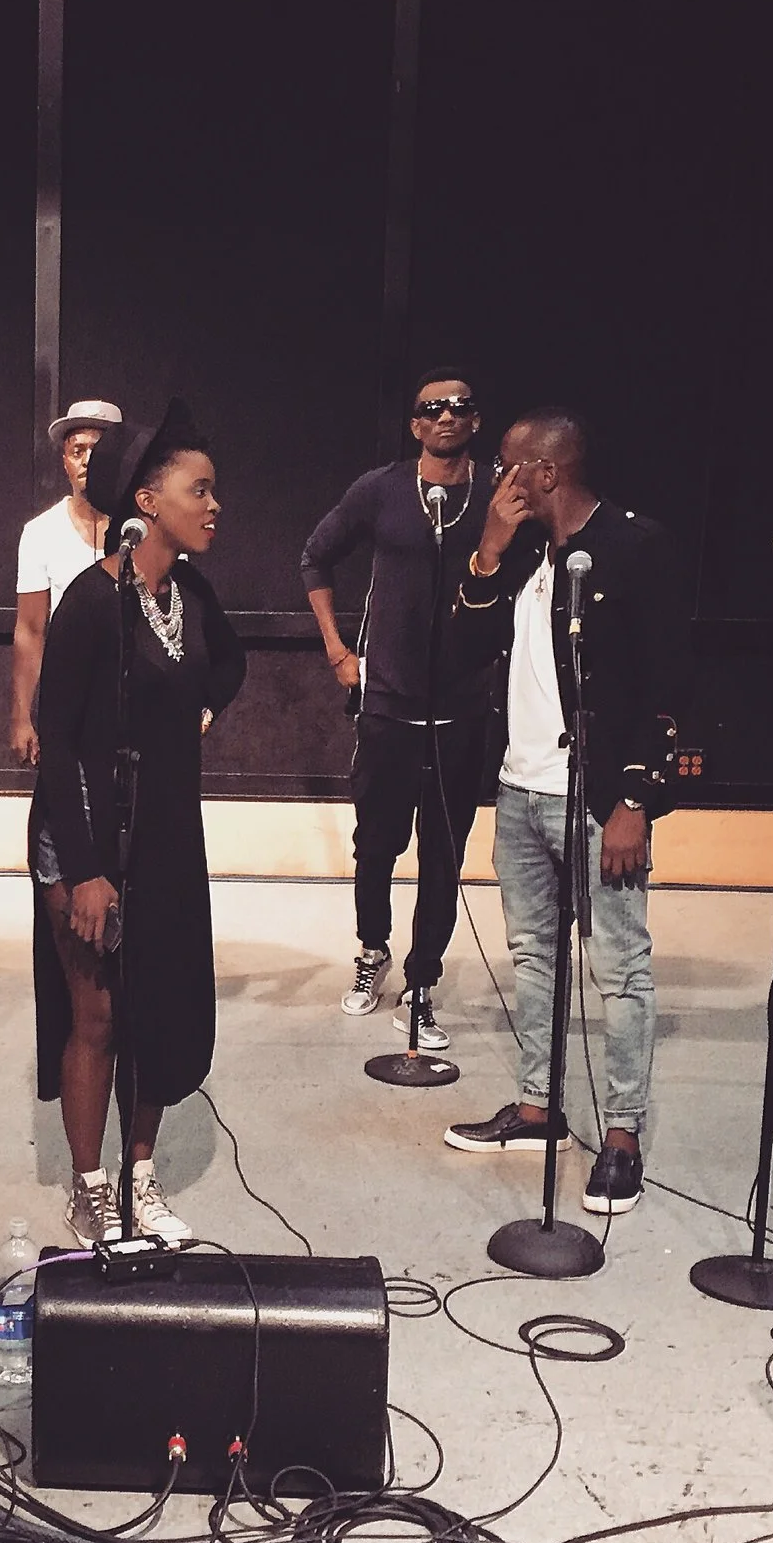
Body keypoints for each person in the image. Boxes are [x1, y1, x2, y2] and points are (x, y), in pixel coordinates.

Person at [445, 409, 687, 1219]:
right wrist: (486, 552)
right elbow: (464, 650)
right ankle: (537, 1108)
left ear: (544, 473)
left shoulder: (635, 548)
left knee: (619, 968)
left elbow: (667, 684)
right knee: (533, 958)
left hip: (596, 798)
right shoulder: (520, 558)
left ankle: (622, 1138)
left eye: (507, 466)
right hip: (519, 791)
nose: (497, 479)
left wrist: (634, 801)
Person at [32, 402, 246, 1247]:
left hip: (165, 839)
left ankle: (141, 1175)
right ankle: (90, 1187)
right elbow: (56, 745)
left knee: (153, 1007)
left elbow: (228, 665)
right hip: (86, 835)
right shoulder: (92, 603)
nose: (214, 505)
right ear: (149, 503)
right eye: (200, 490)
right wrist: (86, 870)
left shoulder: (193, 594)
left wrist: (199, 715)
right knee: (98, 1018)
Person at [302, 368, 502, 1049]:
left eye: (460, 406)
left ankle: (422, 983)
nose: (447, 415)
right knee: (377, 844)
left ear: (476, 420)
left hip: (462, 710)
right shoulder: (381, 490)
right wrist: (338, 651)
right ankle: (373, 950)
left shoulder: (496, 495)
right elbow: (315, 557)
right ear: (415, 424)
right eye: (432, 408)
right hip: (386, 704)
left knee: (444, 854)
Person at [9, 398, 122, 766]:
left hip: (134, 703)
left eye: (98, 450)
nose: (87, 460)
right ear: (65, 461)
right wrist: (21, 717)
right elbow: (30, 629)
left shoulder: (151, 529)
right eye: (78, 450)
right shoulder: (40, 533)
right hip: (67, 705)